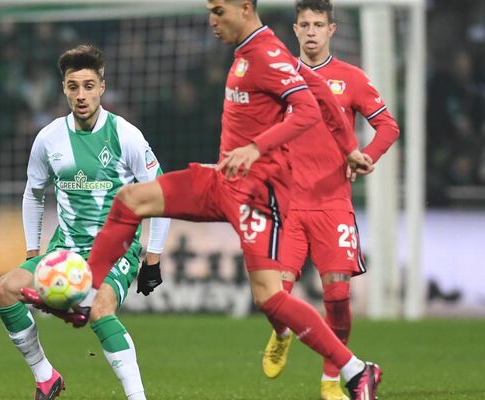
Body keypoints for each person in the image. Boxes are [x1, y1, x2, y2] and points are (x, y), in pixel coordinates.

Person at [27, 1, 384, 399]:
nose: (212, 20)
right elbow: (318, 91)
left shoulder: (266, 54)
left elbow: (307, 110)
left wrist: (256, 147)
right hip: (222, 180)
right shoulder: (253, 51)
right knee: (130, 200)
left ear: (245, 8)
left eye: (218, 11)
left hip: (257, 194)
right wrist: (350, 147)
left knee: (270, 297)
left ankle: (355, 370)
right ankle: (88, 293)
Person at [0, 44, 171, 400]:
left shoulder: (125, 135)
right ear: (64, 89)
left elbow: (160, 193)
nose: (81, 95)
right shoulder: (49, 138)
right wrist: (32, 250)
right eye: (73, 86)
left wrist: (153, 257)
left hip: (116, 250)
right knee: (4, 291)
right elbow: (33, 193)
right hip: (66, 251)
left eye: (89, 85)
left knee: (100, 312)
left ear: (102, 87)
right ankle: (46, 377)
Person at [261, 2, 400, 399]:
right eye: (304, 24)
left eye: (318, 25)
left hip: (333, 204)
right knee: (275, 297)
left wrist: (366, 157)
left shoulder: (351, 79)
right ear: (294, 28)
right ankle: (281, 332)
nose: (310, 31)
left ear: (331, 30)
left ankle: (331, 379)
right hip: (288, 206)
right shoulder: (279, 78)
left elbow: (388, 127)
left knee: (337, 297)